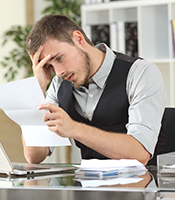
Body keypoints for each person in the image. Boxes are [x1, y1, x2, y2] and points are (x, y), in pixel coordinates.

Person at [23, 14, 166, 166]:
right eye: (50, 66)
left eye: (59, 58)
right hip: (89, 186)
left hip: (142, 185)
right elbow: (35, 156)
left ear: (79, 39)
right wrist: (36, 91)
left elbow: (140, 153)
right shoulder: (59, 85)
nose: (58, 73)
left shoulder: (140, 73)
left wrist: (74, 129)